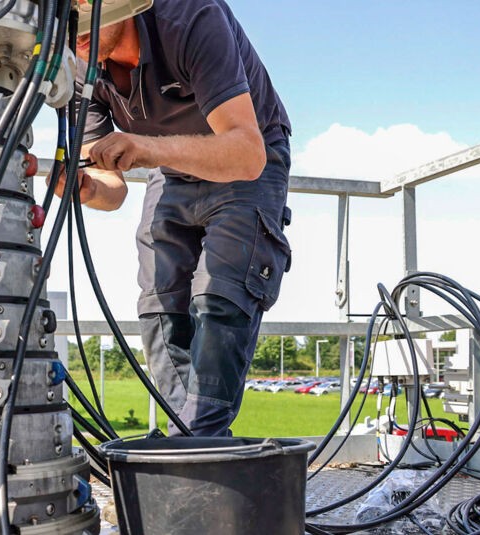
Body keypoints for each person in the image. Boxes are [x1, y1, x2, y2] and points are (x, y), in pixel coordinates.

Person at [53, 0, 293, 436]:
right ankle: (194, 440)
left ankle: (196, 445)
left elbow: (246, 152)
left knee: (220, 294)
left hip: (245, 160)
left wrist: (146, 148)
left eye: (85, 4)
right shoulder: (81, 69)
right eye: (66, 12)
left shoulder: (188, 16)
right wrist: (85, 188)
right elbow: (113, 190)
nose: (76, 22)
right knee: (159, 302)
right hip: (172, 167)